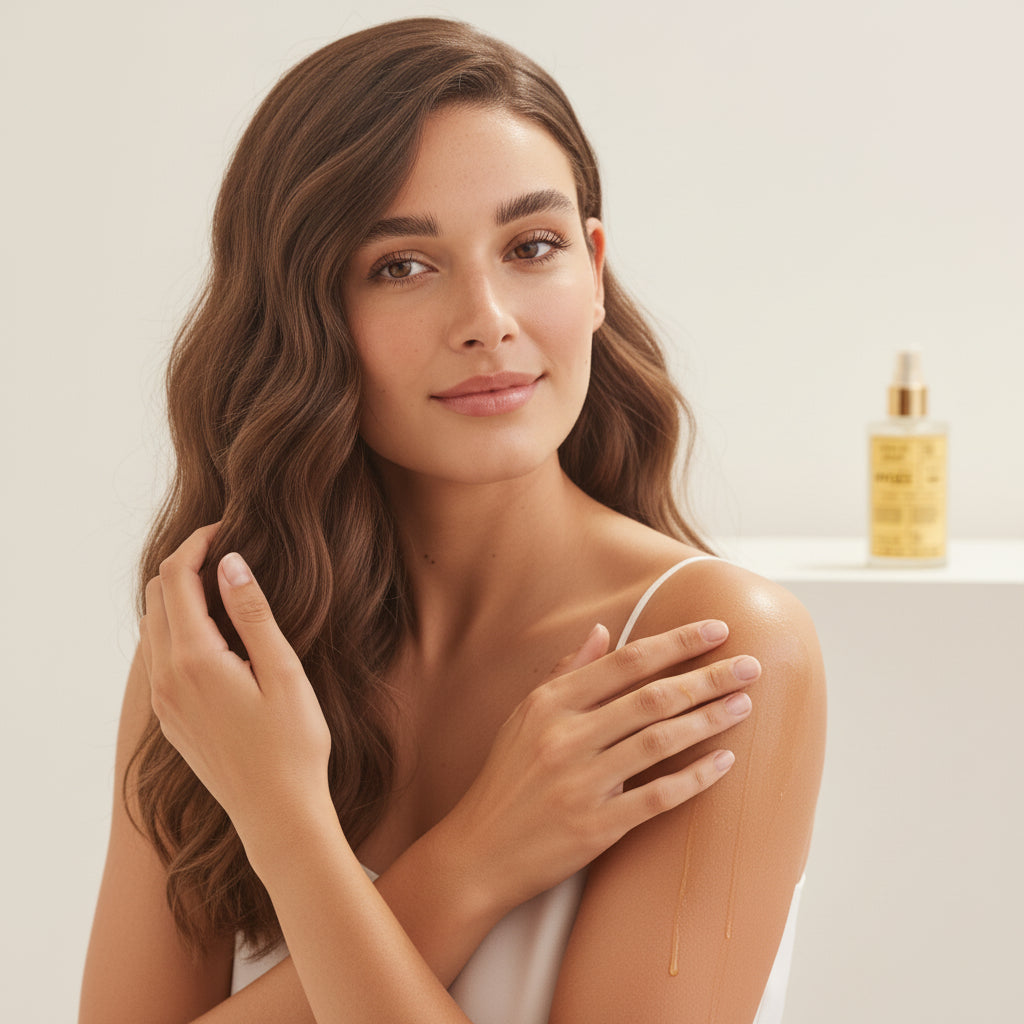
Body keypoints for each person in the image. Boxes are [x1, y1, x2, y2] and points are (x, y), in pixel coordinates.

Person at [79, 17, 826, 1024]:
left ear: (594, 268)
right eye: (401, 265)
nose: (488, 316)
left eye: (532, 246)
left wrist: (292, 831)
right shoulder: (228, 656)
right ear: (304, 314)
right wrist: (468, 860)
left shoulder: (708, 651)